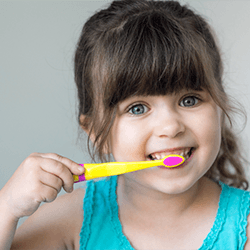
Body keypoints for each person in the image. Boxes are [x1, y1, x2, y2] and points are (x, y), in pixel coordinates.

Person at [1, 0, 250, 249]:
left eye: (189, 100)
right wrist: (7, 207)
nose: (171, 127)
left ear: (220, 107)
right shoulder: (68, 220)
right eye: (137, 108)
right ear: (97, 133)